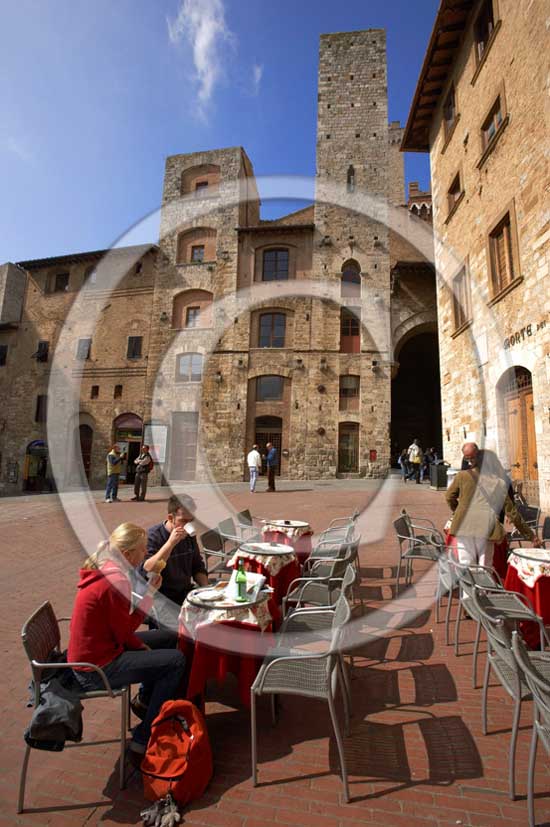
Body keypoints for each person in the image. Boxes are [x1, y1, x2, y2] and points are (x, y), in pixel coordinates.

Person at [67, 523, 186, 760]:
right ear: (129, 553)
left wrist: (139, 643)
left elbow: (120, 628)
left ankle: (146, 701)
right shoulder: (116, 580)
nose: (146, 555)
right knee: (176, 660)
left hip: (100, 648)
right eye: (143, 550)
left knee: (170, 637)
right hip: (96, 667)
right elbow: (125, 631)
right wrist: (150, 596)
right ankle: (144, 736)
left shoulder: (109, 567)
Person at [446, 443, 540, 568]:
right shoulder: (499, 483)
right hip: (487, 527)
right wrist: (531, 536)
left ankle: (467, 588)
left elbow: (449, 497)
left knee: (465, 567)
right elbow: (512, 513)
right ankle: (483, 588)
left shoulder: (462, 476)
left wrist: (458, 510)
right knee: (485, 567)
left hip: (464, 524)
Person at [143, 494, 209, 629]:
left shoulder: (189, 536)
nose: (188, 525)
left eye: (191, 520)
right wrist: (170, 544)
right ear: (170, 518)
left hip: (185, 593)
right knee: (182, 631)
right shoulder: (154, 537)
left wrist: (206, 589)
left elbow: (197, 566)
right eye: (184, 520)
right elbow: (148, 570)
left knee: (211, 621)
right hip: (160, 598)